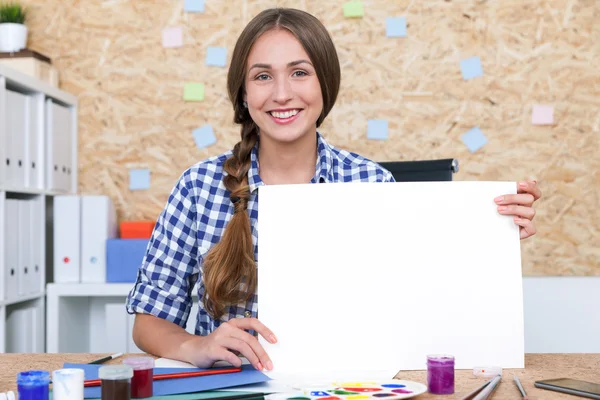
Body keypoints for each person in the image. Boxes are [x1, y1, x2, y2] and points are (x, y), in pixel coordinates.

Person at [125, 7, 542, 373]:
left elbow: (422, 304)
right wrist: (196, 346)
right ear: (244, 92)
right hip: (232, 386)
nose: (282, 93)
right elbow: (148, 322)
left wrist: (492, 237)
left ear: (326, 83)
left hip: (347, 387)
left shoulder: (372, 183)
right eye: (263, 76)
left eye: (300, 72)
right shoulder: (198, 187)